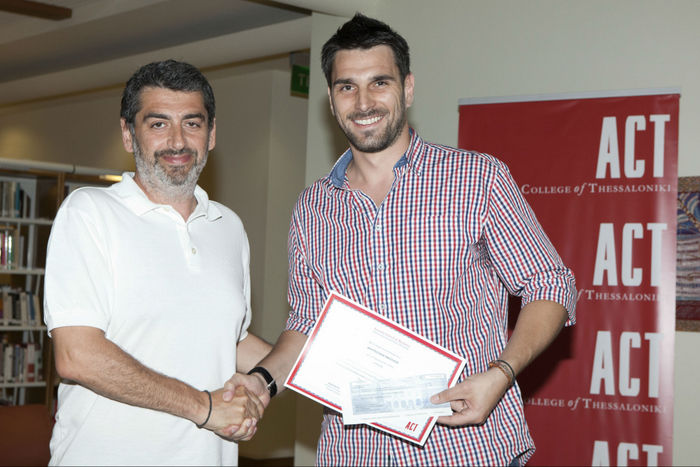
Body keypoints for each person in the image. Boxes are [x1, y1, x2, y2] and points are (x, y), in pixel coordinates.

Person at [225, 13, 577, 466]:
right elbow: (307, 327)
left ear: (407, 89)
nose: (363, 101)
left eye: (380, 83)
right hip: (356, 453)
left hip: (467, 448)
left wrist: (501, 374)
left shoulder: (475, 179)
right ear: (331, 102)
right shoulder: (312, 207)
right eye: (346, 86)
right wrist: (260, 381)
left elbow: (549, 285)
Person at [43, 59, 271, 466]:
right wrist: (204, 407)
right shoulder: (89, 212)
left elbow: (228, 338)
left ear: (212, 133)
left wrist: (340, 381)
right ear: (129, 135)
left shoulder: (229, 227)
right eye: (158, 124)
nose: (178, 141)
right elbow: (77, 355)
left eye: (193, 123)